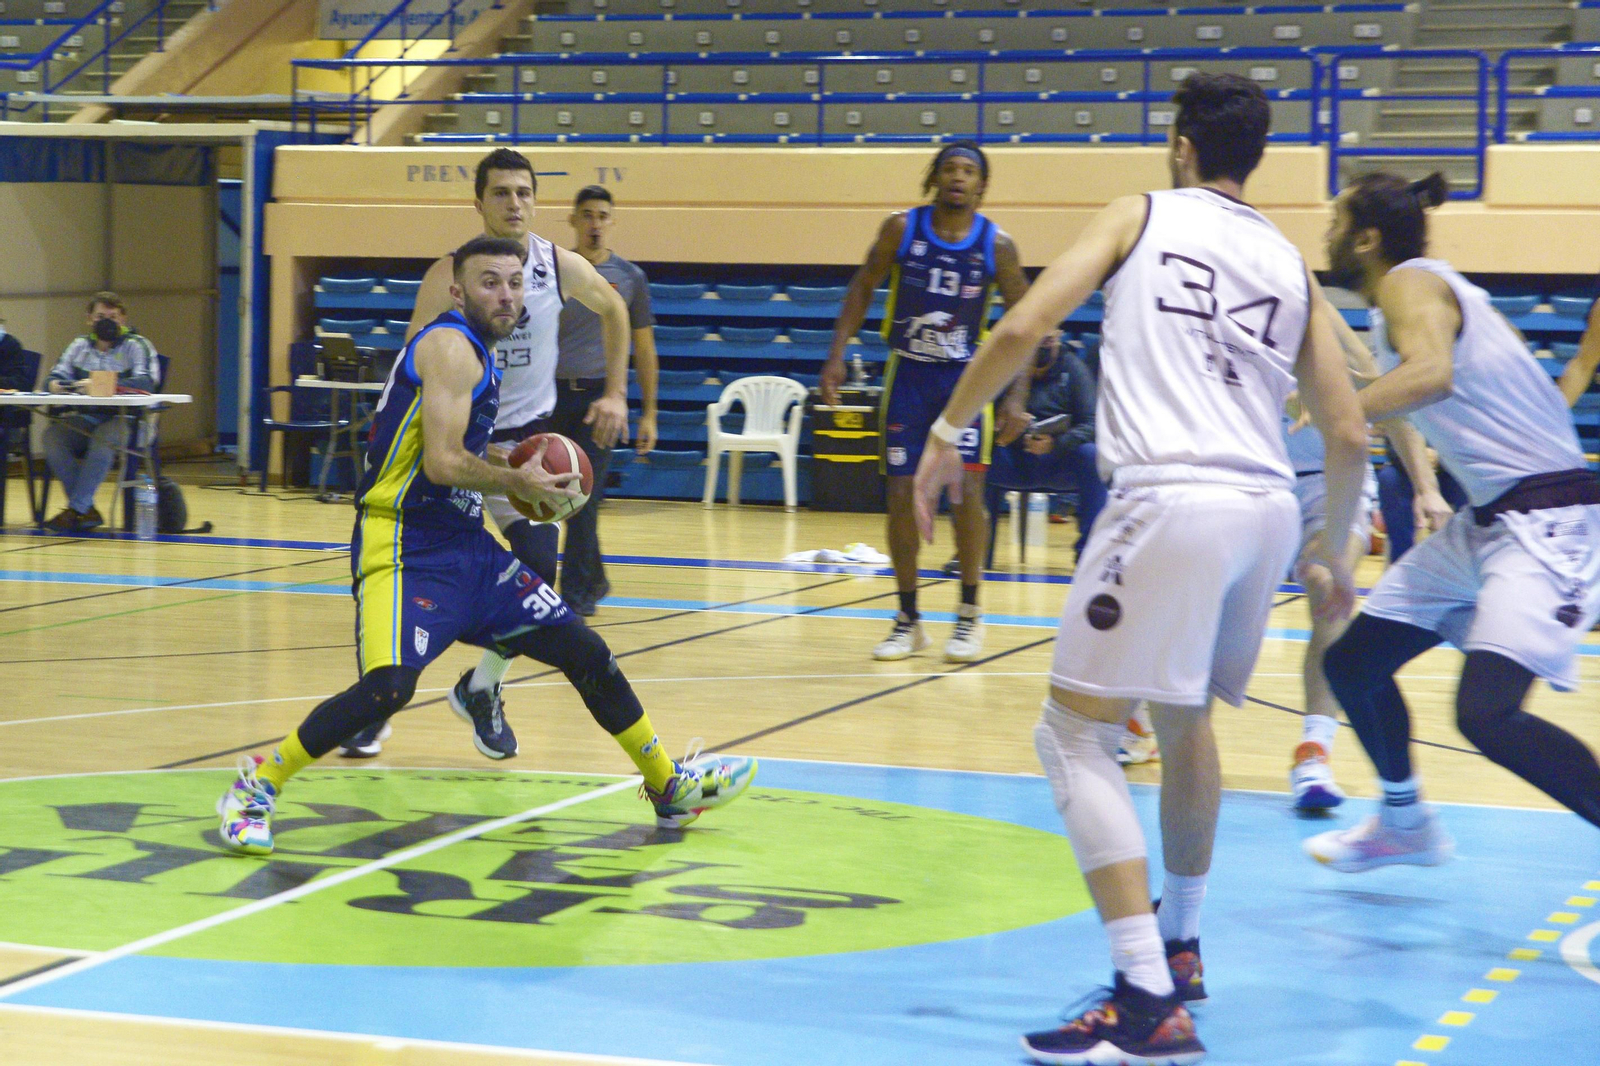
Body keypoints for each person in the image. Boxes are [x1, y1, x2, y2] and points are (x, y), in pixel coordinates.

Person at [913, 74, 1369, 1065]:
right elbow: (1345, 428)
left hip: (1171, 497)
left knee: (1070, 735)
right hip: (1259, 509)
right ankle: (1181, 944)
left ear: (1178, 145)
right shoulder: (1287, 260)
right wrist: (1331, 549)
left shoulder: (1142, 211)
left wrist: (950, 429)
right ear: (1252, 155)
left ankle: (1142, 997)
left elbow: (1021, 327)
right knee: (1182, 718)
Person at [216, 237, 754, 856]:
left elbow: (449, 448)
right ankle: (258, 783)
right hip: (402, 542)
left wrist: (508, 457)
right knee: (389, 687)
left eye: (514, 282)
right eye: (489, 282)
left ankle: (667, 787)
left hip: (465, 544)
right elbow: (444, 464)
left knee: (585, 649)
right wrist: (514, 479)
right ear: (458, 291)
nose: (505, 294)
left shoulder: (483, 355)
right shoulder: (450, 348)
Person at [1305, 173, 1600, 873]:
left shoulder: (1410, 281)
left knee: (1486, 715)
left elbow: (1430, 375)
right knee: (1352, 664)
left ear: (1367, 238)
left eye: (1337, 221)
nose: (1329, 234)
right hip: (1486, 521)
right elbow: (1416, 402)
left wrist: (1339, 411)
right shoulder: (1396, 307)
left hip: (1547, 519)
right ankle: (1405, 822)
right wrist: (1424, 487)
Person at [340, 150, 632, 761]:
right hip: (458, 450)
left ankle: (483, 688)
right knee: (415, 577)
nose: (515, 203)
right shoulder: (448, 276)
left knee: (535, 572)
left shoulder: (558, 265)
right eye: (501, 193)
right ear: (478, 204)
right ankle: (375, 702)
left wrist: (614, 392)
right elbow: (411, 365)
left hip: (522, 451)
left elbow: (617, 310)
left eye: (524, 192)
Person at [820, 141, 1032, 664]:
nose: (958, 178)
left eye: (969, 171)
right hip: (908, 378)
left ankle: (969, 616)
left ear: (982, 185)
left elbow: (1025, 323)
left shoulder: (997, 245)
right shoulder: (901, 229)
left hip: (966, 383)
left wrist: (1017, 396)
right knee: (899, 499)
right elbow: (862, 286)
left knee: (966, 499)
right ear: (934, 178)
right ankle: (909, 619)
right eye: (950, 169)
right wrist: (837, 352)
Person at [1282, 308, 1451, 811]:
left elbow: (1394, 406)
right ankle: (1134, 715)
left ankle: (1314, 751)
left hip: (1330, 483)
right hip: (1256, 479)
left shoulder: (1319, 320)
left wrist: (1427, 487)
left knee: (1325, 583)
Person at [545, 184, 660, 615]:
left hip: (601, 399)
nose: (595, 224)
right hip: (551, 395)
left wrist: (648, 412)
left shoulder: (631, 278)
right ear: (573, 221)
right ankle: (595, 578)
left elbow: (645, 349)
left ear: (612, 222)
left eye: (602, 216)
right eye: (587, 215)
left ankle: (573, 600)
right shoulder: (553, 271)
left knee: (585, 497)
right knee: (557, 498)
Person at [42, 292, 158, 531]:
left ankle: (76, 509)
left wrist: (102, 384)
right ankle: (86, 509)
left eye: (113, 317)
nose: (106, 322)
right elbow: (53, 378)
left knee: (103, 437)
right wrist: (54, 384)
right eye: (100, 316)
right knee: (52, 436)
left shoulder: (137, 346)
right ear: (89, 319)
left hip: (131, 421)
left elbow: (147, 383)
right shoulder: (79, 346)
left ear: (123, 319)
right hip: (87, 417)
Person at [1006, 331, 1106, 559]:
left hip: (1058, 460)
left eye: (1048, 342)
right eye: (1037, 342)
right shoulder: (1009, 366)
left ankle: (1088, 552)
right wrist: (1008, 427)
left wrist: (1056, 444)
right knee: (974, 455)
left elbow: (1092, 423)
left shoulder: (1073, 368)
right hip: (1014, 457)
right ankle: (964, 552)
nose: (1043, 348)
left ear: (1058, 339)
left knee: (1091, 455)